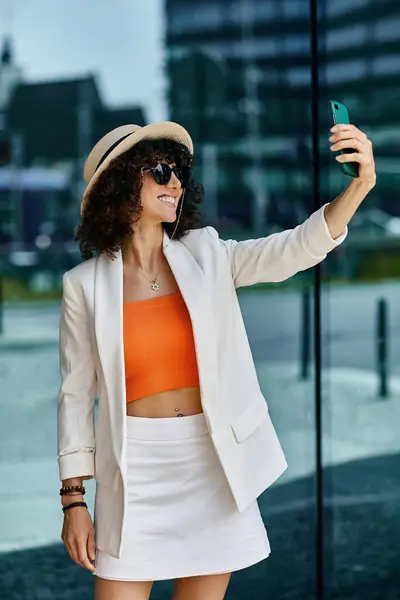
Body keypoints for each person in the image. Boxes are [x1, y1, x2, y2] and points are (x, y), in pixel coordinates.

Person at [57, 121, 376, 600]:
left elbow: (292, 249)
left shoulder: (206, 253)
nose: (176, 184)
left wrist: (359, 186)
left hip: (213, 465)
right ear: (123, 183)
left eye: (179, 173)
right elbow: (76, 395)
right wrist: (74, 500)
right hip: (135, 473)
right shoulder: (83, 285)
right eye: (161, 172)